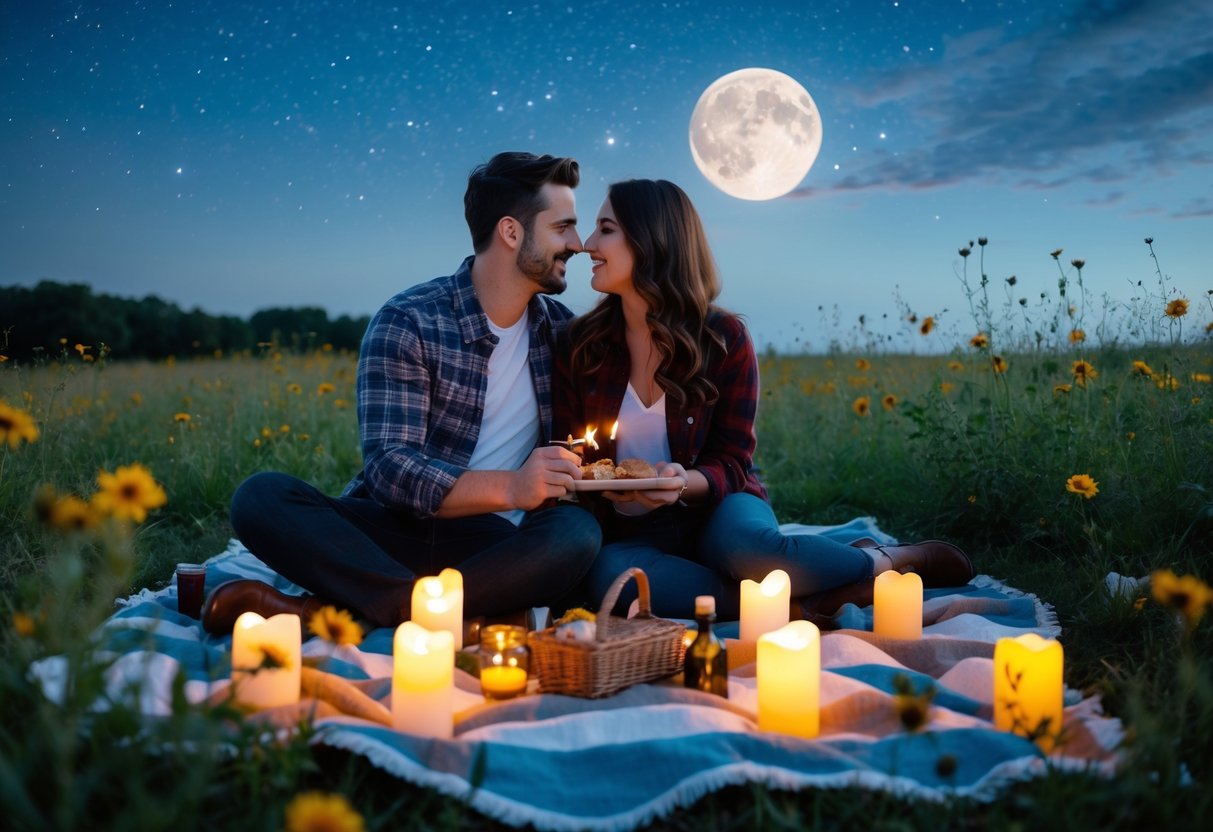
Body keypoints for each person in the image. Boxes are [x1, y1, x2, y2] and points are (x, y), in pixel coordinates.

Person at [203, 152, 602, 634]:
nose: (578, 245)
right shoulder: (409, 320)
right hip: (393, 530)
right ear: (511, 232)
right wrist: (514, 485)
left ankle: (339, 610)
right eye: (563, 227)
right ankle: (455, 614)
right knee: (260, 497)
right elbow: (391, 468)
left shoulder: (563, 333)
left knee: (575, 534)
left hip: (496, 545)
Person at [554, 179, 973, 622]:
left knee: (750, 550)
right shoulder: (580, 345)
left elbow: (733, 460)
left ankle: (887, 560)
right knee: (611, 577)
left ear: (652, 238)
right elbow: (569, 449)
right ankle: (807, 600)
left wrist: (680, 483)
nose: (586, 244)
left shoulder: (723, 338)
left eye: (605, 229)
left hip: (718, 504)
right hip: (630, 528)